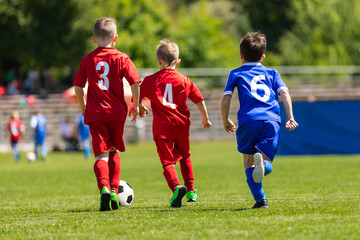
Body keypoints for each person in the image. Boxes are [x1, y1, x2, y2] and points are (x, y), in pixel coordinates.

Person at [221, 32, 298, 209]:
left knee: (248, 163)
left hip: (248, 121)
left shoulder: (235, 73)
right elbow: (284, 93)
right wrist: (290, 117)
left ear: (241, 55)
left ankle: (261, 200)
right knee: (265, 162)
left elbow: (226, 99)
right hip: (271, 121)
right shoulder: (272, 73)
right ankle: (263, 166)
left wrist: (226, 120)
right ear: (262, 57)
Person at [73, 17, 141, 211]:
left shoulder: (87, 59)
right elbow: (136, 82)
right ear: (116, 38)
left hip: (95, 112)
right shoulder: (122, 57)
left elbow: (78, 85)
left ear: (94, 39)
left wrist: (83, 106)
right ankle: (113, 190)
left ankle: (103, 187)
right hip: (117, 112)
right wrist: (135, 104)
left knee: (100, 155)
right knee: (114, 152)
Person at [138, 39, 212, 208]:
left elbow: (138, 98)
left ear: (159, 61)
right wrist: (205, 118)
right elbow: (199, 100)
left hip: (162, 127)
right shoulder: (185, 80)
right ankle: (191, 190)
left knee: (167, 161)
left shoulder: (150, 81)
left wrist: (140, 108)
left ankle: (176, 187)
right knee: (185, 157)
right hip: (181, 125)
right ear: (177, 62)